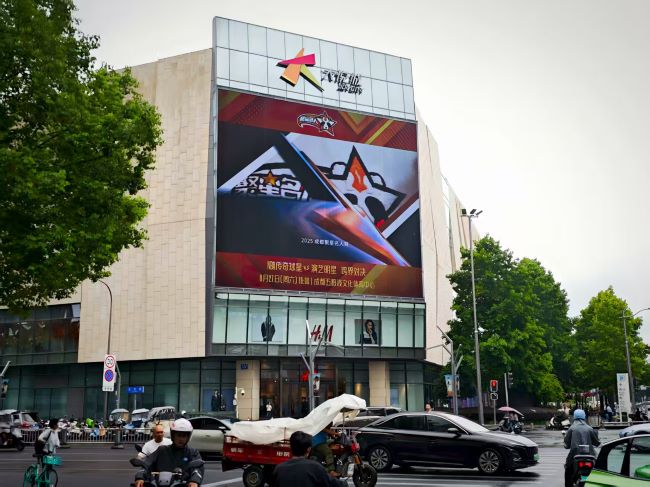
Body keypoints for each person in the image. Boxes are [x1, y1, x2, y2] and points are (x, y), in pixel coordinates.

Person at [134, 418, 204, 487]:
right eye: (178, 435)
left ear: (188, 437)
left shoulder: (192, 452)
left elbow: (197, 469)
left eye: (184, 436)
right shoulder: (162, 450)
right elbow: (147, 463)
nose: (181, 439)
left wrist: (194, 481)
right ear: (173, 435)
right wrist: (140, 477)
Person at [269, 431, 347, 487]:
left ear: (290, 448)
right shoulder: (315, 467)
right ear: (309, 449)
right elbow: (334, 483)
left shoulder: (279, 469)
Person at [564, 408, 600, 487]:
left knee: (568, 469)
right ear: (584, 417)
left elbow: (567, 443)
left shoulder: (572, 428)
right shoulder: (589, 428)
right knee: (598, 469)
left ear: (574, 417)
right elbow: (597, 443)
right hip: (590, 455)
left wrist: (566, 445)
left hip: (574, 455)